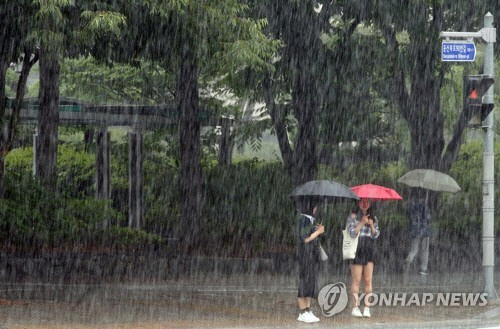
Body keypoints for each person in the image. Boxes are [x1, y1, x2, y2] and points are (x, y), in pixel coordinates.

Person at [346, 198, 380, 318]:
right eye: (362, 201)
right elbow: (351, 233)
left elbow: (376, 235)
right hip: (357, 248)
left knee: (368, 280)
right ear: (358, 203)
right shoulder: (353, 216)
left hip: (369, 248)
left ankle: (367, 307)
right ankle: (355, 307)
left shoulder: (373, 218)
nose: (365, 204)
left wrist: (371, 225)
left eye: (367, 202)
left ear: (370, 203)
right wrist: (361, 223)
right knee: (356, 280)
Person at [296, 200, 325, 323]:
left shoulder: (310, 221)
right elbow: (304, 239)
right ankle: (302, 312)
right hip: (305, 255)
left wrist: (318, 231)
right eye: (315, 207)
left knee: (310, 281)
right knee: (304, 281)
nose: (316, 209)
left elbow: (311, 237)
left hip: (312, 256)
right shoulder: (304, 219)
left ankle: (307, 310)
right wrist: (317, 232)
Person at [403, 189, 430, 275]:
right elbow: (427, 217)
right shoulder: (424, 205)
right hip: (424, 230)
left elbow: (410, 217)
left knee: (414, 249)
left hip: (414, 230)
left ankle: (408, 260)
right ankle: (423, 269)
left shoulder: (410, 205)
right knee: (424, 250)